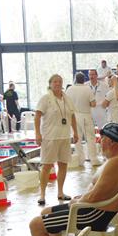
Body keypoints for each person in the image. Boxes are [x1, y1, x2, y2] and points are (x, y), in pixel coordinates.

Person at [27, 123, 118, 236]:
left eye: (103, 138)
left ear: (111, 142)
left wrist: (77, 202)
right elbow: (100, 192)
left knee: (36, 225)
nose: (100, 142)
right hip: (96, 209)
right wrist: (81, 198)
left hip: (95, 215)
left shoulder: (117, 162)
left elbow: (95, 197)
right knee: (45, 212)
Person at [35, 74, 79, 206]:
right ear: (50, 84)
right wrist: (37, 134)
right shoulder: (45, 98)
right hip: (50, 137)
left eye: (60, 81)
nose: (58, 84)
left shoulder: (66, 99)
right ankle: (42, 194)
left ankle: (60, 192)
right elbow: (37, 116)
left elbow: (72, 116)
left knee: (63, 165)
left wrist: (75, 132)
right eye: (55, 82)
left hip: (64, 136)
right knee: (47, 166)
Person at [66, 72, 100, 165]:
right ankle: (93, 159)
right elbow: (93, 104)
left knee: (77, 138)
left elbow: (66, 104)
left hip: (74, 116)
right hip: (86, 115)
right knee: (90, 138)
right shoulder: (87, 89)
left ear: (75, 79)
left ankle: (80, 160)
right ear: (84, 80)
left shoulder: (69, 89)